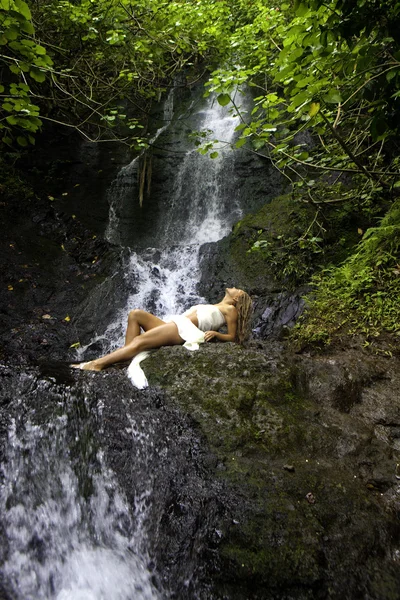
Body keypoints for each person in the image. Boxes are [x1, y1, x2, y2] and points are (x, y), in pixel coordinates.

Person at [72, 287, 252, 372]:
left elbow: (232, 337)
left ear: (237, 299)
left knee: (140, 341)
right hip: (175, 324)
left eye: (238, 290)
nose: (234, 287)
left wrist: (217, 335)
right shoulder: (217, 305)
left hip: (185, 331)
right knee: (136, 314)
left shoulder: (230, 310)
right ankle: (124, 360)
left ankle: (98, 364)